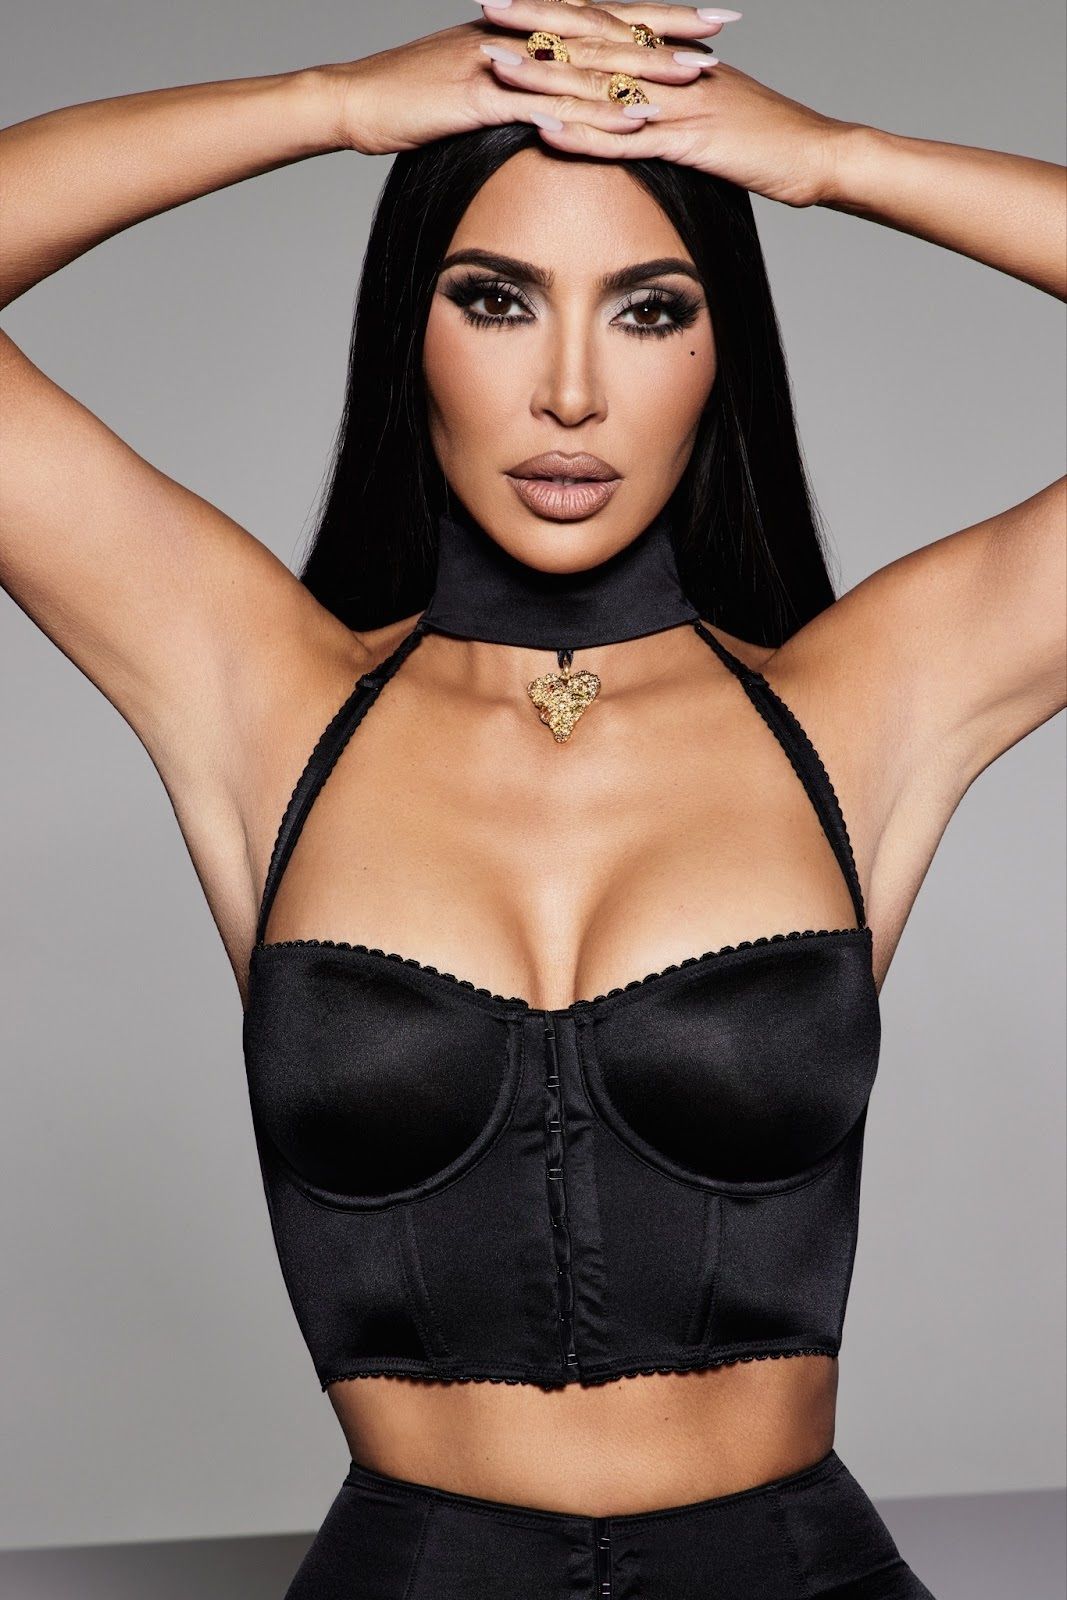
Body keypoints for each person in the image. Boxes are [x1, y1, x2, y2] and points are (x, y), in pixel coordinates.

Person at [2, 2, 1064, 1595]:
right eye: (496, 300)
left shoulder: (852, 714)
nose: (570, 391)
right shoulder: (271, 706)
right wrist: (331, 105)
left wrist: (834, 161)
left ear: (720, 351)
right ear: (411, 328)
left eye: (650, 309)